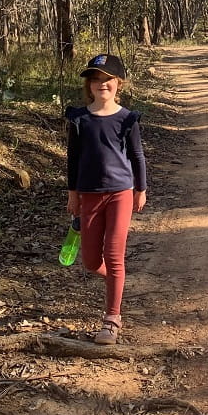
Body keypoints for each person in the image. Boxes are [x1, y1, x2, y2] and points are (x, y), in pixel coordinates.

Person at [65, 53, 147, 345]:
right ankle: (116, 279)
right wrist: (73, 194)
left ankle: (112, 319)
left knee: (114, 256)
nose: (102, 84)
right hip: (89, 194)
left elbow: (137, 156)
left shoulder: (127, 119)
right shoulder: (79, 119)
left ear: (118, 83)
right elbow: (73, 159)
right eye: (95, 79)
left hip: (121, 193)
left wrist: (141, 189)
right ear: (88, 85)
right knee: (90, 261)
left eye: (107, 79)